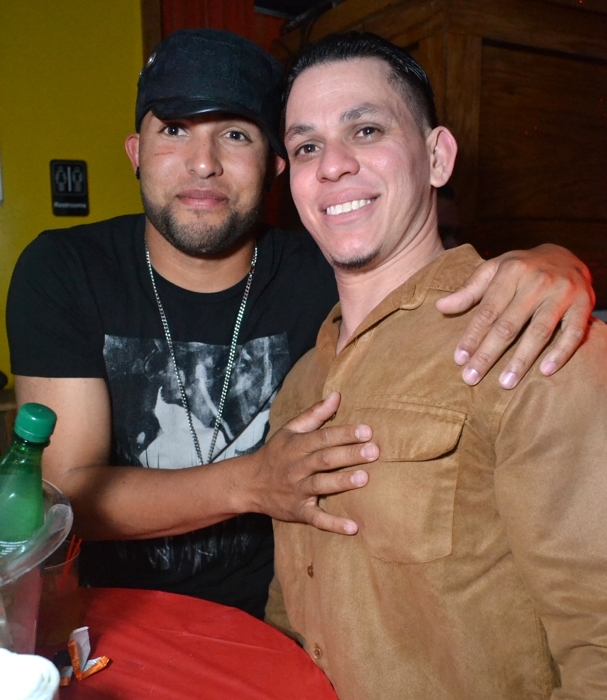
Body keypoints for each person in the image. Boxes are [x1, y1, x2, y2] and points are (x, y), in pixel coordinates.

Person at [6, 29, 595, 620]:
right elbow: (65, 492)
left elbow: (426, 266)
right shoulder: (66, 270)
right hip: (111, 621)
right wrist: (252, 481)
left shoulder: (327, 267)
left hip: (276, 627)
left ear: (274, 165)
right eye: (175, 130)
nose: (203, 163)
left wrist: (555, 261)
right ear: (136, 152)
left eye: (236, 134)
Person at [265, 32, 607, 698]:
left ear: (437, 156)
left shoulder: (531, 340)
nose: (332, 165)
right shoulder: (302, 379)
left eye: (366, 130)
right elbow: (290, 609)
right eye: (307, 146)